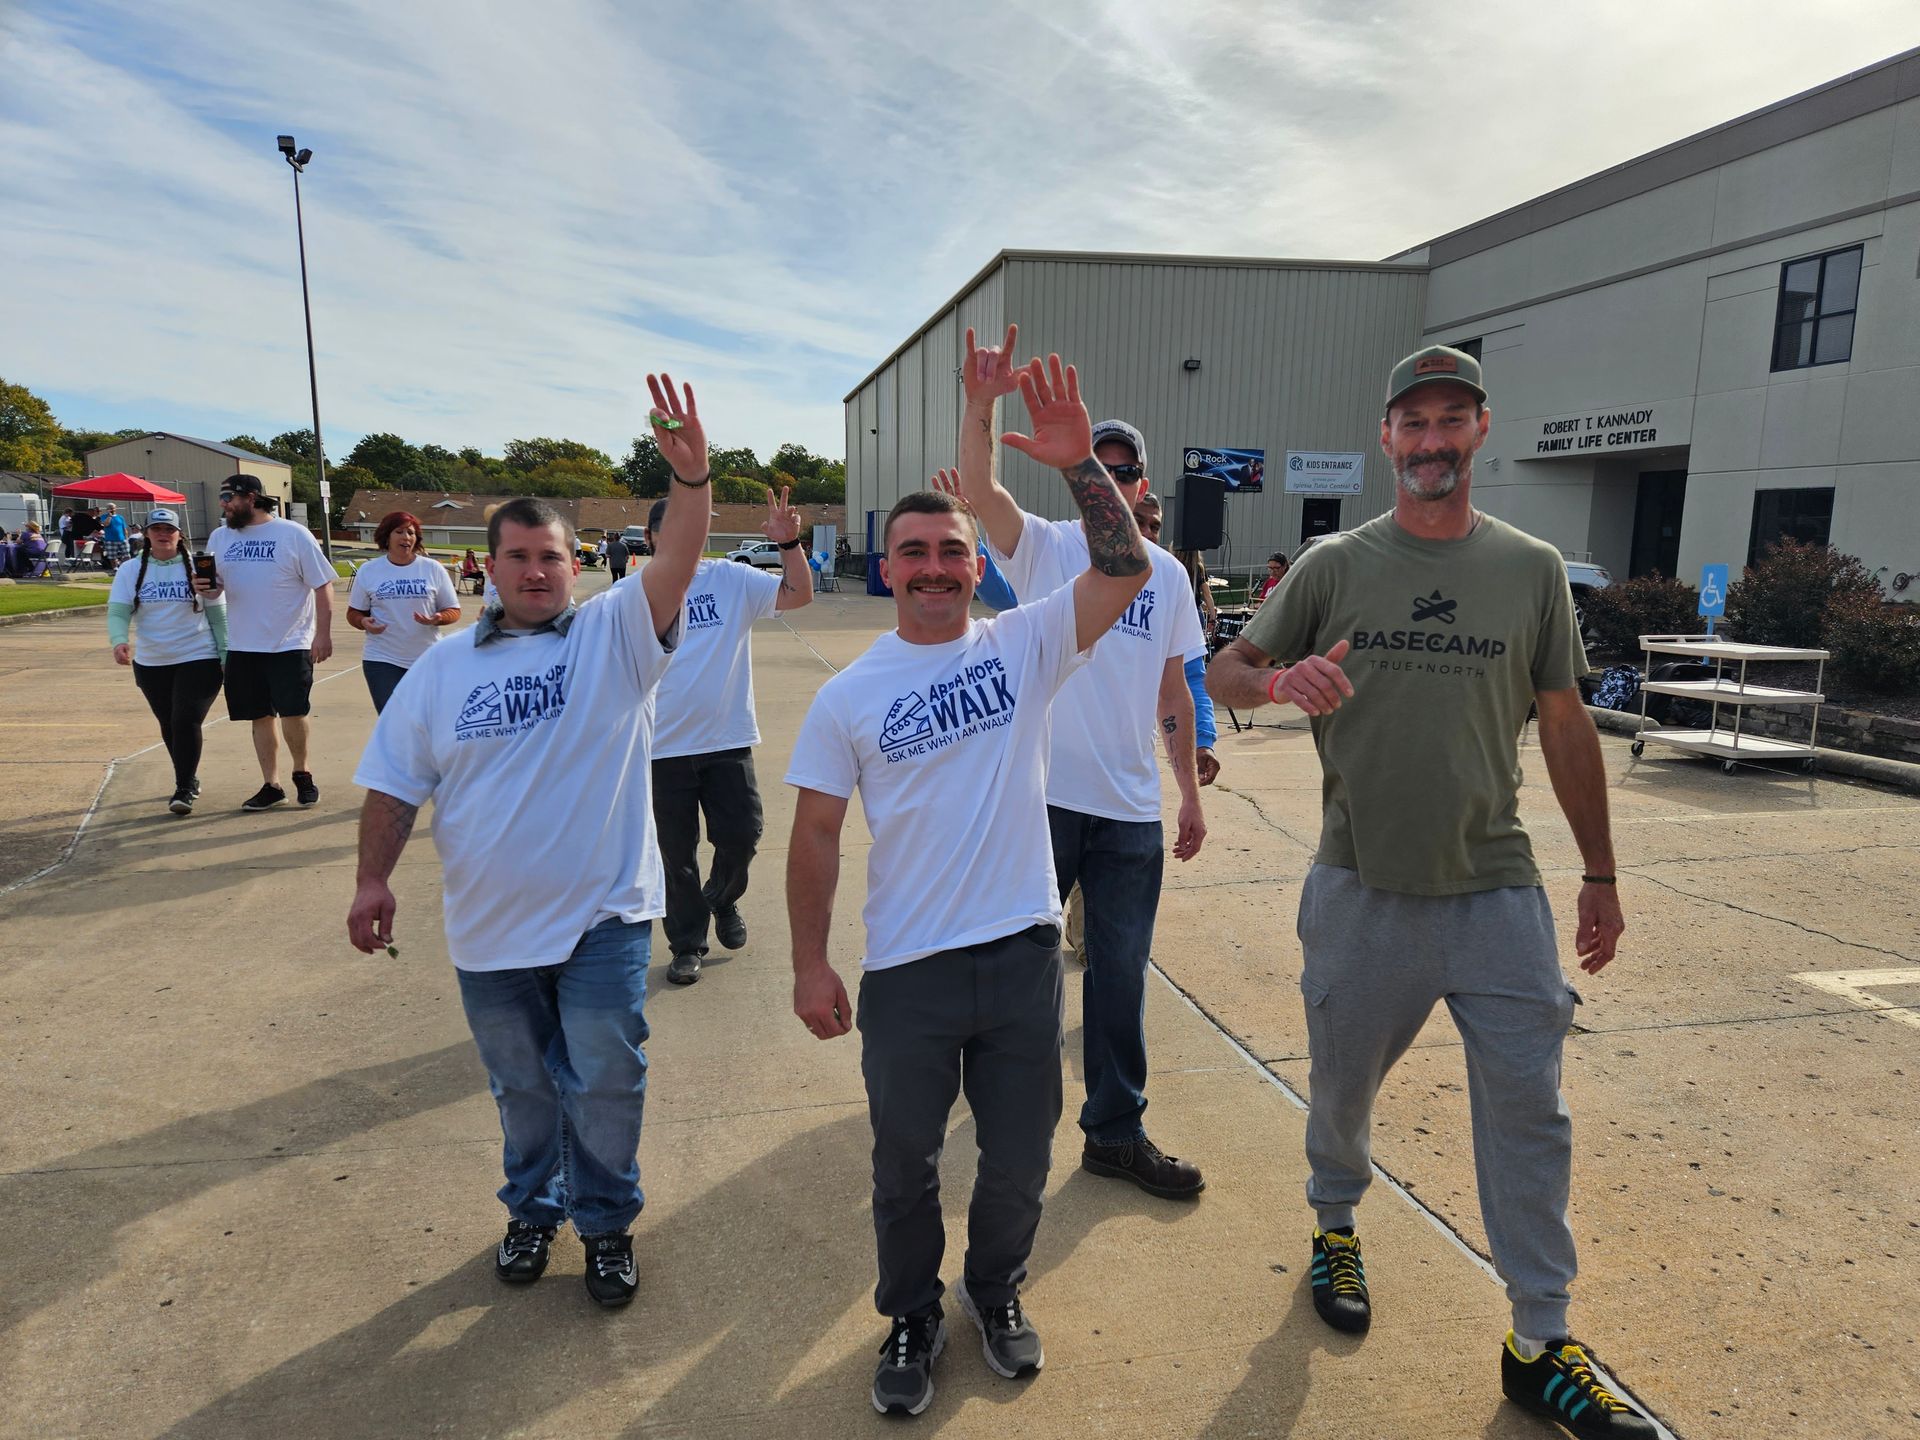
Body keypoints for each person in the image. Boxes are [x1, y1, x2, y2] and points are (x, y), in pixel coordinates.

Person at [1205, 344, 1652, 1439]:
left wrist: (1598, 872)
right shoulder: (1334, 566)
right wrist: (1273, 680)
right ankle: (1337, 1221)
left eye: (1454, 420)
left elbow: (1562, 719)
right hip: (1363, 887)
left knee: (1529, 1113)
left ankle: (1540, 1340)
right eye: (1415, 422)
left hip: (1497, 890)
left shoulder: (1531, 567)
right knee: (1344, 1086)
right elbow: (1222, 674)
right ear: (1387, 438)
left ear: (1480, 433)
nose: (1434, 440)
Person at [787, 352, 1150, 1417]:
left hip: (1024, 951)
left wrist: (1083, 465)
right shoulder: (850, 695)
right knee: (904, 1165)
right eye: (916, 553)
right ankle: (909, 1312)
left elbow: (1123, 569)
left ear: (970, 564)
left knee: (1019, 1158)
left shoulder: (1025, 642)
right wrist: (810, 963)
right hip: (907, 969)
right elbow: (814, 835)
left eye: (952, 549)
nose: (938, 565)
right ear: (886, 568)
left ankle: (992, 1291)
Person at [348, 373, 712, 1310]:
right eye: (518, 557)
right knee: (523, 1090)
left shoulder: (616, 636)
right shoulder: (438, 672)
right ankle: (532, 1208)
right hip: (488, 928)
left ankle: (605, 1225)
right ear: (490, 567)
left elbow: (675, 563)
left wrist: (693, 480)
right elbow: (395, 783)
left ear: (574, 561)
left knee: (603, 1081)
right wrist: (370, 882)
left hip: (604, 916)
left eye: (552, 555)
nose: (537, 570)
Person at [953, 324, 1209, 1201]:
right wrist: (980, 405)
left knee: (1119, 982)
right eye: (1094, 463)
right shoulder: (1051, 549)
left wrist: (1190, 791)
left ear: (1142, 484)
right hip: (1047, 802)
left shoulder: (1168, 576)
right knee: (1020, 972)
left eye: (1122, 468)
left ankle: (1115, 1131)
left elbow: (1172, 691)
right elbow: (981, 492)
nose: (1109, 478)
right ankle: (1009, 1116)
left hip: (1131, 813)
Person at [646, 484, 812, 986]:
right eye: (674, 529)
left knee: (743, 836)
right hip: (661, 748)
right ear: (652, 538)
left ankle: (721, 899)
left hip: (726, 740)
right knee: (677, 855)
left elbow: (799, 593)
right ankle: (687, 944)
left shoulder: (732, 580)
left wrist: (789, 546)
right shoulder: (634, 593)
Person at [197, 474, 336, 811]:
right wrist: (205, 587)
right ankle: (271, 784)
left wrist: (322, 633)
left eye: (229, 497)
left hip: (289, 641)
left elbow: (323, 584)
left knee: (293, 711)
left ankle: (301, 772)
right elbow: (217, 589)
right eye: (222, 497)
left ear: (252, 497)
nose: (224, 504)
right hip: (243, 643)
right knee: (259, 715)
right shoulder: (220, 537)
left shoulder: (293, 534)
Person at [106, 509, 228, 815]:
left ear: (179, 534)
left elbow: (218, 613)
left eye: (169, 529)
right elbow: (119, 610)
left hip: (198, 655)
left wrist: (227, 655)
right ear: (146, 534)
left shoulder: (198, 566)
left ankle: (184, 788)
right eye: (156, 529)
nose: (163, 534)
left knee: (185, 720)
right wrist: (119, 640)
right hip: (152, 660)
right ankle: (189, 777)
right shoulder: (131, 570)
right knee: (169, 724)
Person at [347, 511, 462, 713]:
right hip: (382, 659)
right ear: (386, 536)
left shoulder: (432, 568)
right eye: (399, 532)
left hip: (426, 658)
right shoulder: (369, 570)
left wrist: (439, 618)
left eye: (410, 532)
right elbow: (354, 613)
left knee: (426, 721)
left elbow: (453, 610)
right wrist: (363, 622)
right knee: (393, 720)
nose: (406, 537)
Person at [98, 503, 129, 572]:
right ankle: (115, 569)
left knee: (126, 555)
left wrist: (126, 537)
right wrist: (109, 516)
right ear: (107, 509)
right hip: (110, 539)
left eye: (113, 508)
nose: (112, 509)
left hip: (122, 539)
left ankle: (124, 567)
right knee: (112, 556)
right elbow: (105, 524)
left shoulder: (120, 517)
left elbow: (124, 528)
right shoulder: (104, 516)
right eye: (110, 508)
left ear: (115, 508)